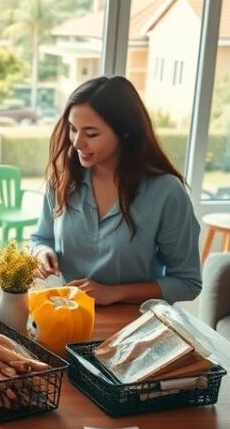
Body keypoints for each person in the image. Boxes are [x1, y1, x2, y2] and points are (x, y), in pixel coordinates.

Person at [30, 76, 202, 306]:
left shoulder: (166, 192)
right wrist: (42, 252)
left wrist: (113, 293)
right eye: (73, 129)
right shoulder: (64, 179)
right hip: (66, 317)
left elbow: (187, 283)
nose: (77, 143)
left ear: (125, 133)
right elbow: (41, 237)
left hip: (135, 325)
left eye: (91, 134)